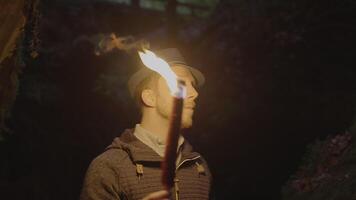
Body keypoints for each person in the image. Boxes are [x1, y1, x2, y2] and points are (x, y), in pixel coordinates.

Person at [80, 48, 212, 200]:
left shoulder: (199, 167)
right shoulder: (110, 167)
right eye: (180, 82)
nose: (194, 93)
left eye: (192, 84)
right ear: (149, 97)